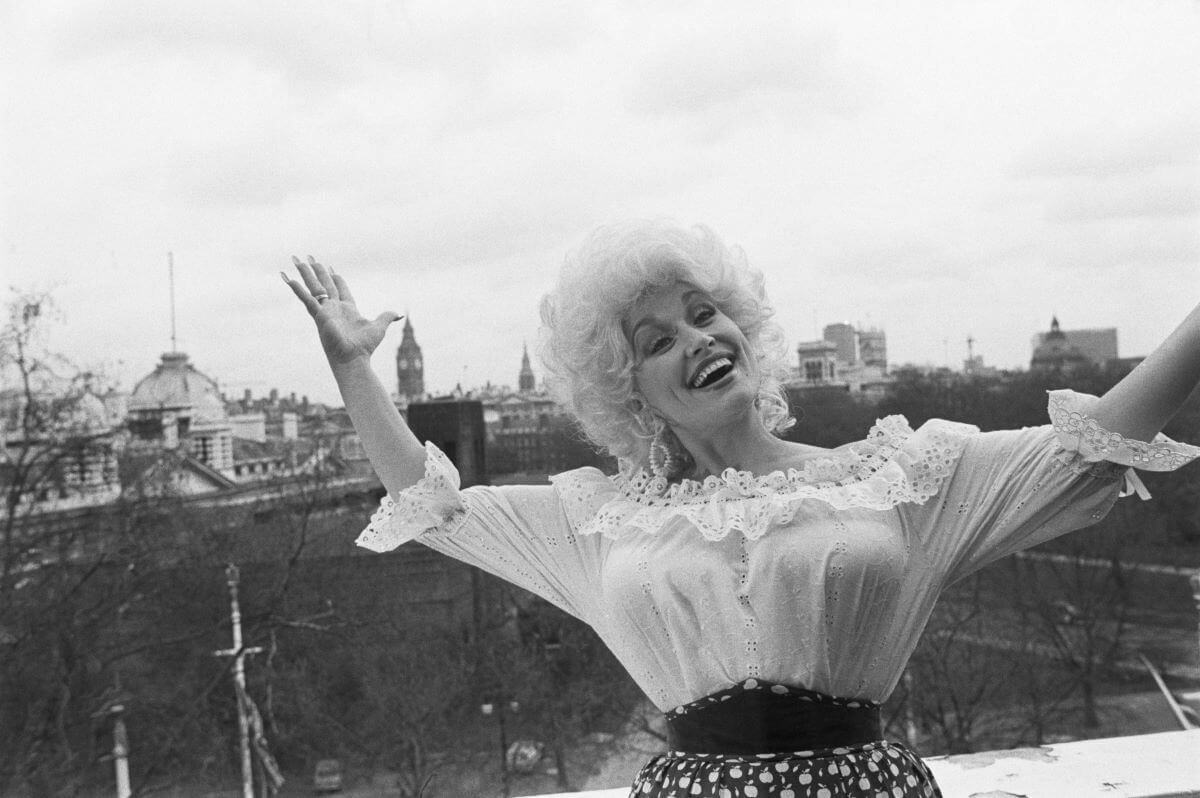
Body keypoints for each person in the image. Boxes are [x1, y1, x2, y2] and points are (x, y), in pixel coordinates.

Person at [283, 221, 1199, 798]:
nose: (699, 338)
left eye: (706, 312)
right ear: (628, 387)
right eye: (659, 338)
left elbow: (1096, 443)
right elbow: (427, 505)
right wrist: (353, 367)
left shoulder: (898, 476)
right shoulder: (599, 520)